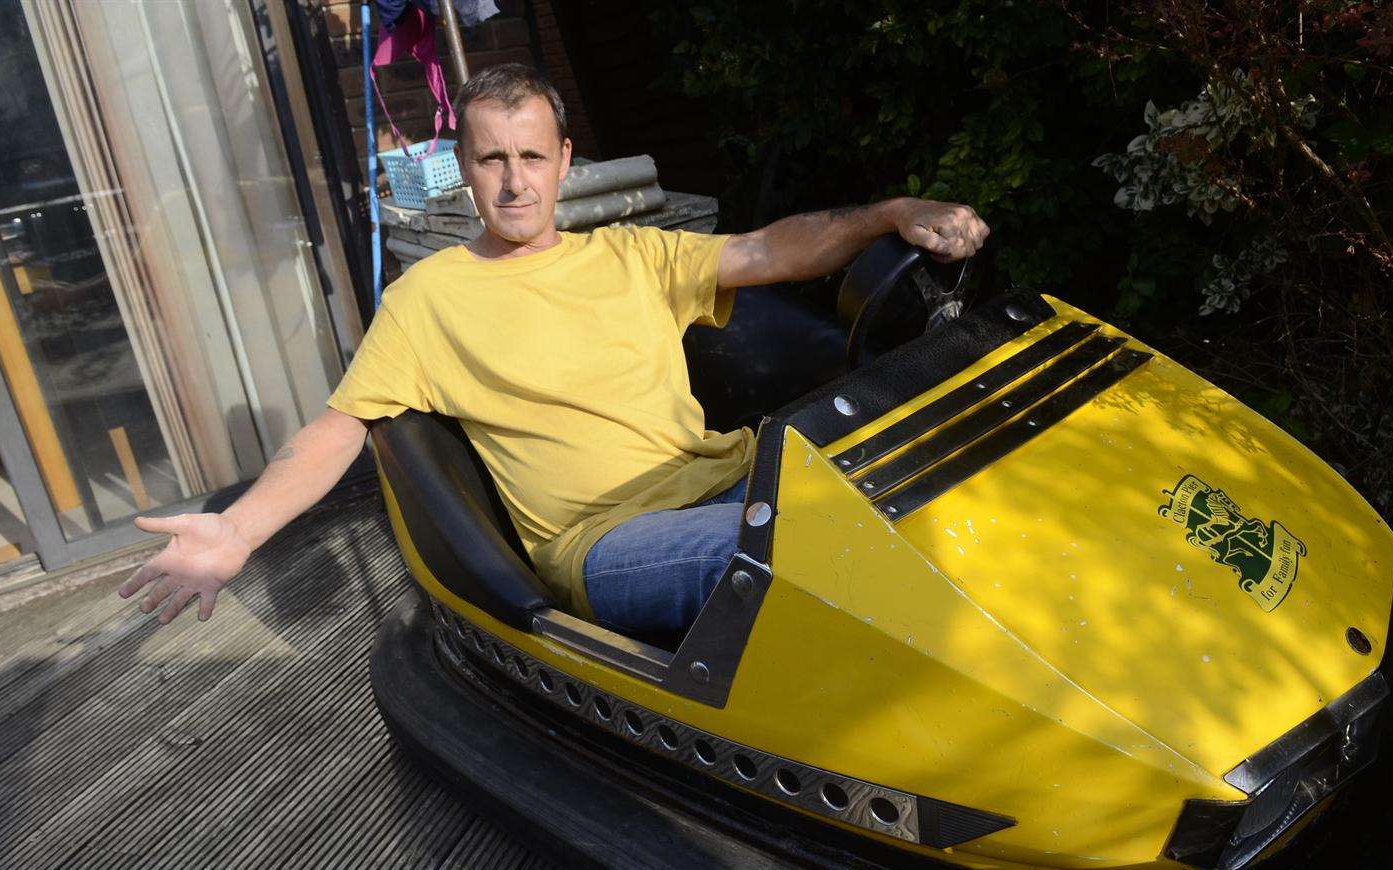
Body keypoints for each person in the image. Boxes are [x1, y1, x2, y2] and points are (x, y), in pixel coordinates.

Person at [117, 64, 988, 636]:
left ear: (565, 160)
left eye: (532, 154)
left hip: (736, 476)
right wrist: (236, 529)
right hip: (609, 545)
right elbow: (339, 429)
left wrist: (888, 215)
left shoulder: (629, 253)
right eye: (492, 158)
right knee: (820, 549)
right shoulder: (428, 300)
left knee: (938, 487)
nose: (514, 179)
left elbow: (771, 249)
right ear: (466, 166)